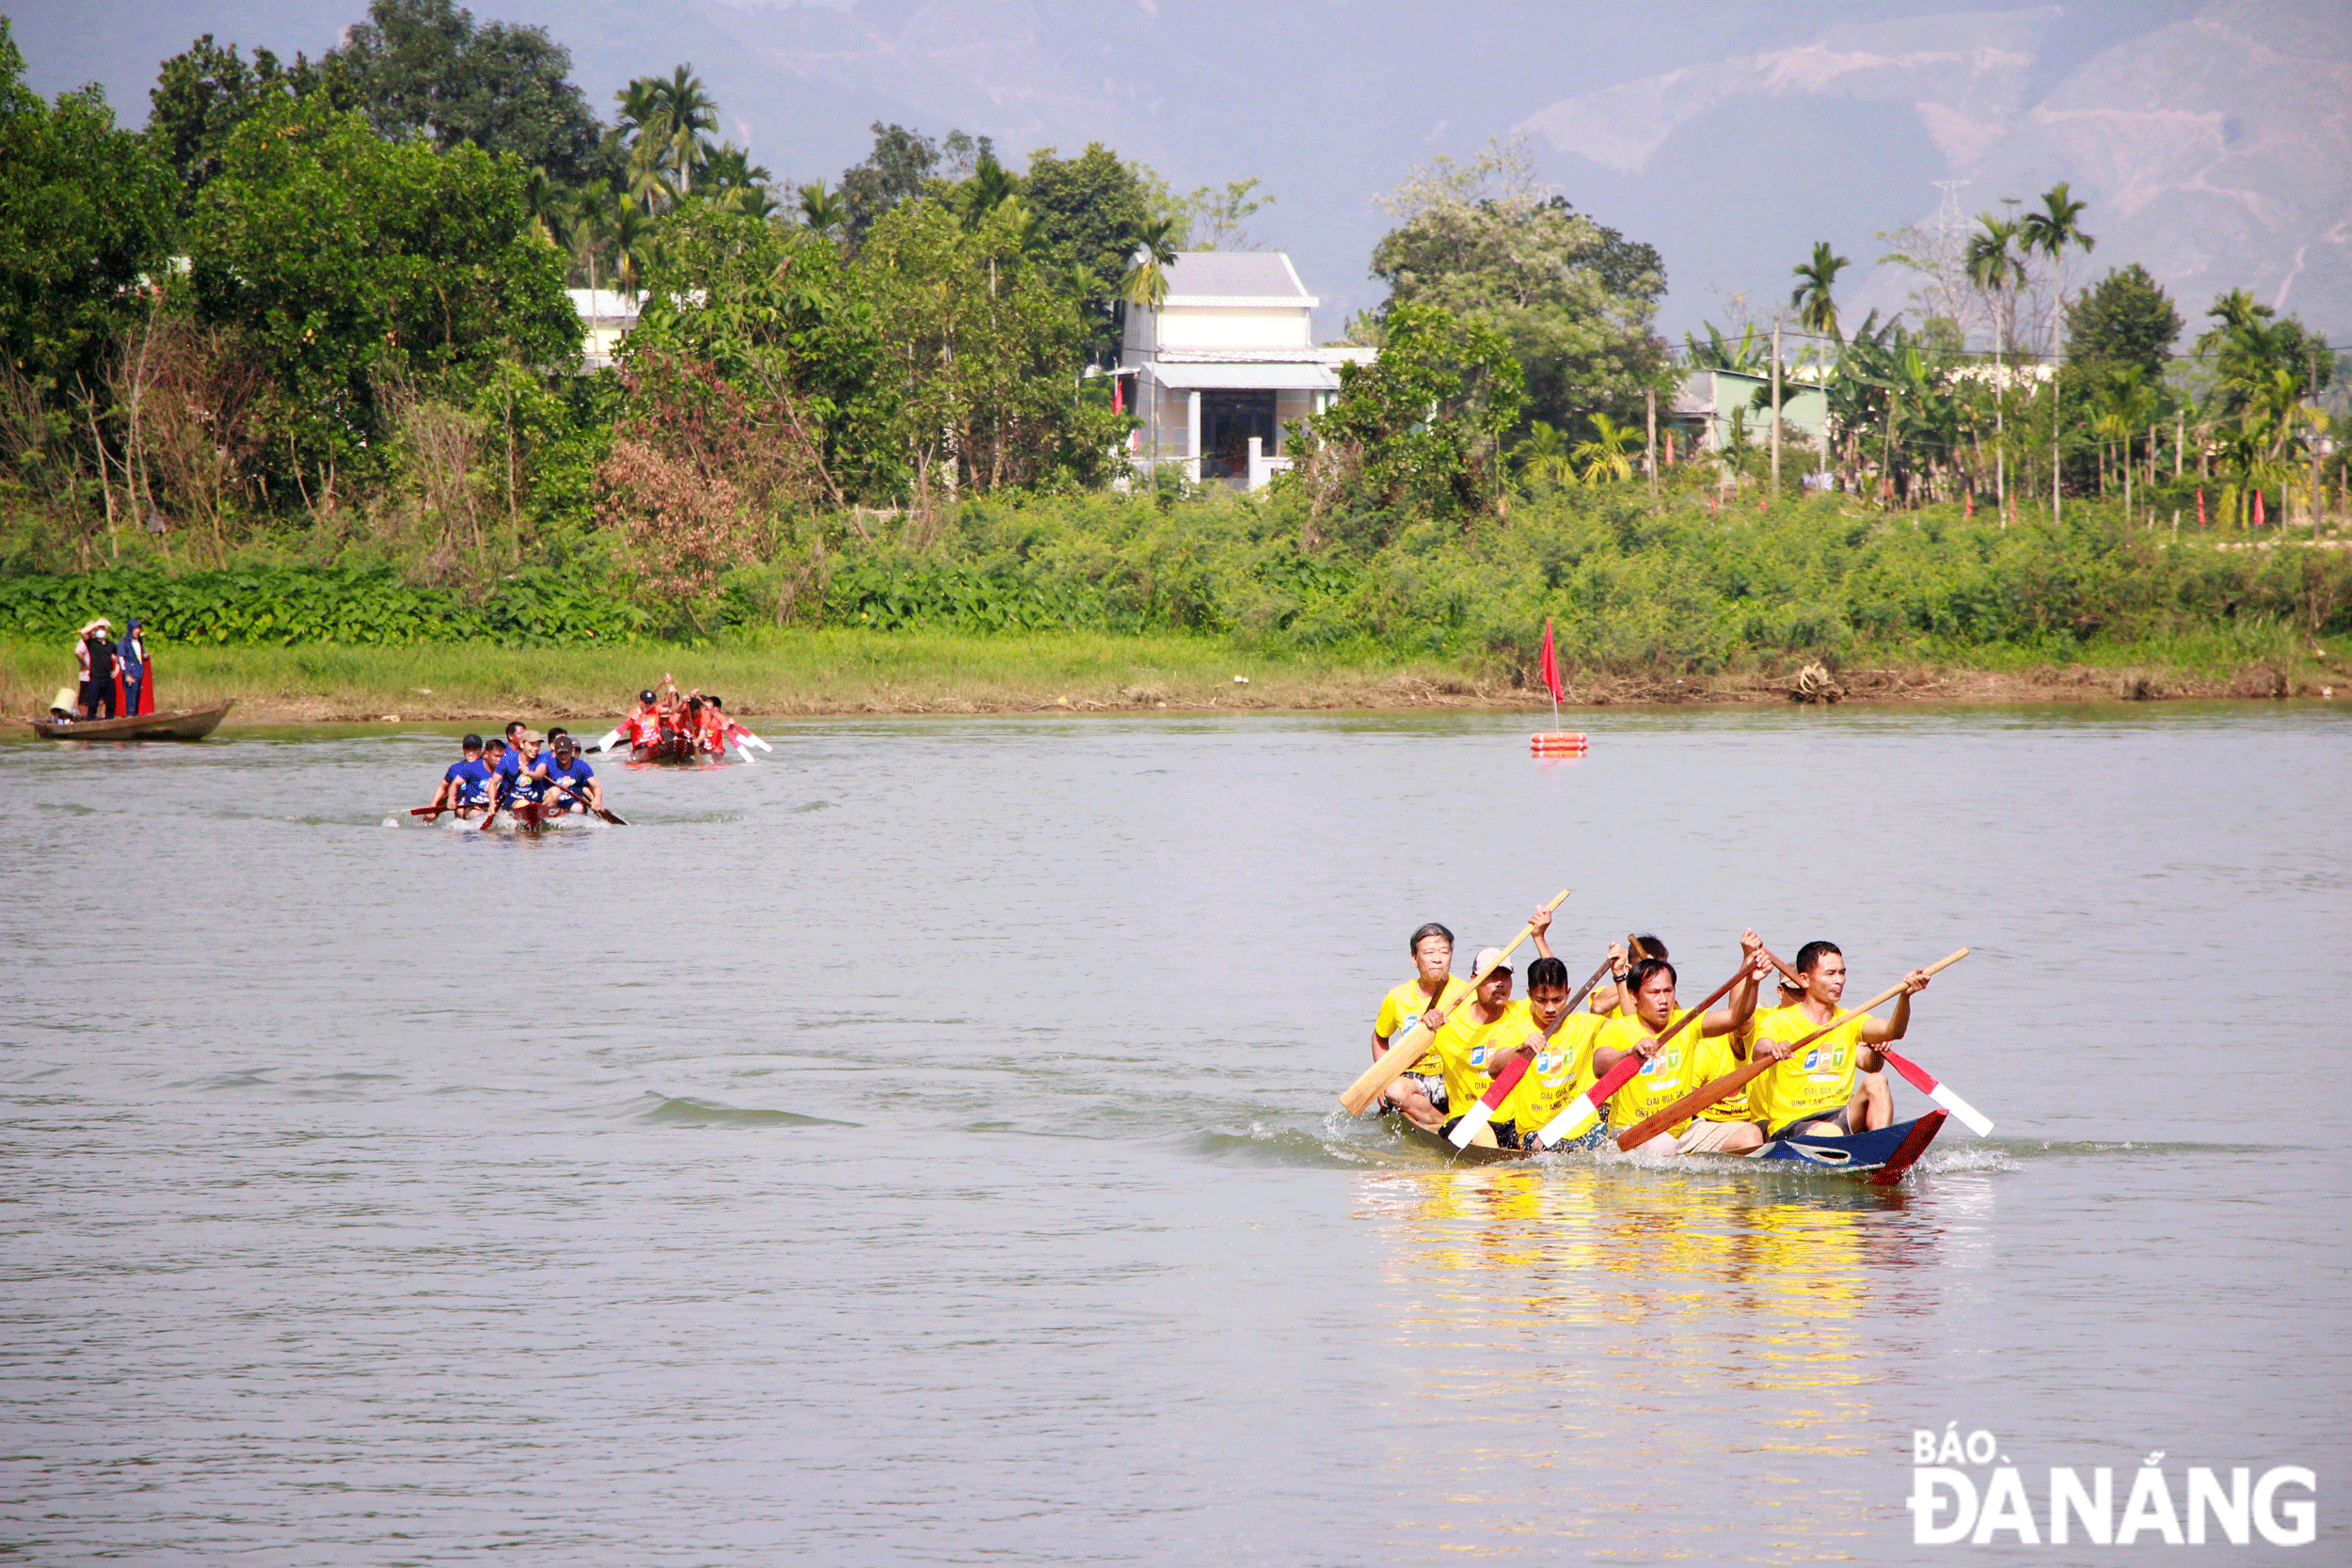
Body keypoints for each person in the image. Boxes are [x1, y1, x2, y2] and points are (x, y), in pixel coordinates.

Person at [1595, 938, 1771, 1155]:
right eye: (1653, 993)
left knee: (1750, 1135)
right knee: (1664, 1145)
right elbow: (1599, 1065)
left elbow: (1736, 1017)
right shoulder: (1617, 1028)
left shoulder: (1686, 1021)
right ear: (1634, 996)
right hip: (1633, 1131)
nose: (1663, 1000)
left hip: (1683, 1130)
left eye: (1668, 991)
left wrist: (1752, 981)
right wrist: (1631, 1053)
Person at [1747, 942, 1929, 1139]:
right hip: (1792, 1123)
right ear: (1805, 980)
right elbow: (1760, 1049)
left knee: (1877, 1081)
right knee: (1829, 1132)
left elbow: (1893, 1031)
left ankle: (1880, 1146)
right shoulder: (1779, 1020)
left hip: (1837, 1115)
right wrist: (1774, 1050)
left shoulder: (1850, 1019)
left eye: (1842, 973)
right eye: (1830, 973)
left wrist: (1905, 997)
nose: (1839, 981)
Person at [1370, 922, 1470, 1131]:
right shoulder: (1397, 997)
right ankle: (1443, 1125)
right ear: (1415, 959)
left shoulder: (1467, 993)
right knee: (1394, 1090)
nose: (1437, 958)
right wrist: (1381, 1078)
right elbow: (1380, 1037)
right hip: (1416, 1079)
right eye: (1429, 952)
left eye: (1444, 952)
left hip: (1455, 1074)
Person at [427, 735, 494, 818]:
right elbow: (442, 787)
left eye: (474, 750)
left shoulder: (489, 765)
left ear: (480, 750)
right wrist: (432, 807)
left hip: (484, 801)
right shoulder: (456, 768)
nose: (470, 753)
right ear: (463, 750)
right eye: (467, 749)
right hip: (463, 805)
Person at [540, 733, 603, 815]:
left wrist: (597, 799)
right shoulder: (548, 764)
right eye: (560, 753)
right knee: (555, 792)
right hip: (554, 801)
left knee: (578, 808)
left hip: (572, 802)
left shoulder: (581, 765)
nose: (563, 756)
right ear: (555, 752)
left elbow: (596, 787)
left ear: (571, 751)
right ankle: (545, 813)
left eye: (565, 753)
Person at [76, 620, 118, 719]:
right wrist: (97, 624)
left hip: (108, 678)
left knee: (110, 704)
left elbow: (119, 656)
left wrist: (116, 670)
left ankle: (109, 723)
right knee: (92, 704)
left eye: (103, 629)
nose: (101, 631)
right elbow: (83, 632)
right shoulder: (91, 643)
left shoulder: (111, 644)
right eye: (99, 629)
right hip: (95, 678)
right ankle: (90, 722)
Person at [115, 617, 152, 716]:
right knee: (131, 699)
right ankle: (130, 718)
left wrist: (144, 656)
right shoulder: (124, 642)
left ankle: (135, 717)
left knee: (137, 699)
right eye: (135, 629)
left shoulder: (139, 641)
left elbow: (139, 654)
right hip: (130, 672)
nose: (138, 631)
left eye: (139, 629)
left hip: (138, 671)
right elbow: (121, 659)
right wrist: (126, 674)